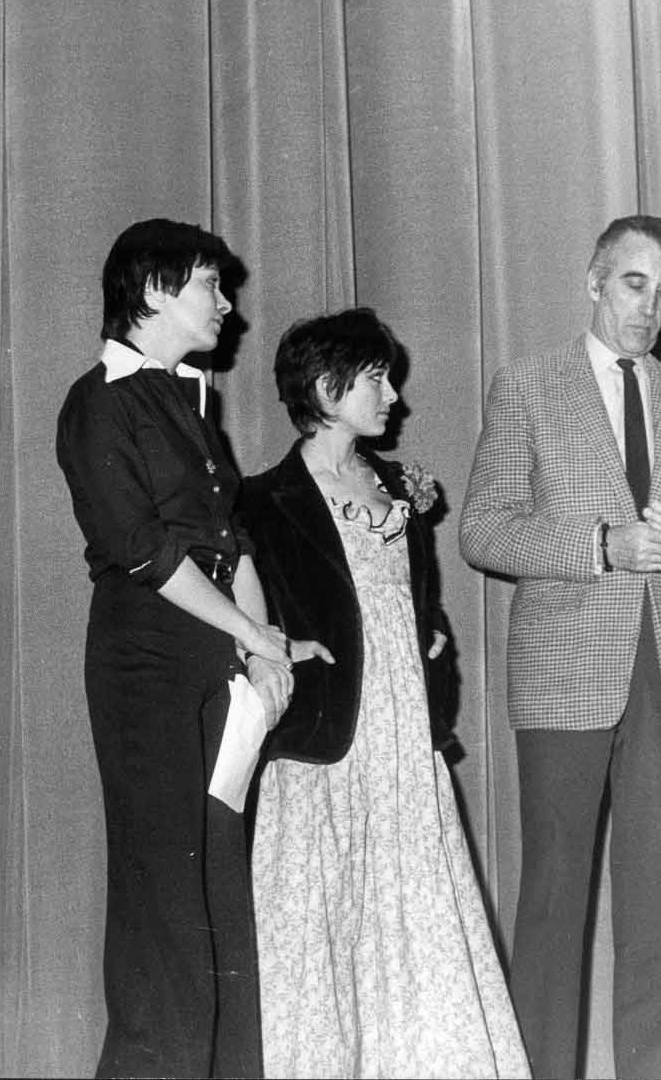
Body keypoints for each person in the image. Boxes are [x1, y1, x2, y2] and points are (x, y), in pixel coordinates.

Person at [459, 215, 661, 1079]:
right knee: (552, 901)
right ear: (593, 280)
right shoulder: (527, 386)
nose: (648, 308)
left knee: (660, 913)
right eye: (633, 284)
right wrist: (603, 545)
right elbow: (482, 530)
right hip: (563, 675)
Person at [56, 218, 319, 1079]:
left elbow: (230, 536)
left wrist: (263, 646)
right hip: (147, 660)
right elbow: (143, 548)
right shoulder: (97, 400)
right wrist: (248, 633)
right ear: (158, 291)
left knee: (218, 894)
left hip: (214, 653)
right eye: (211, 284)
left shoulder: (188, 396)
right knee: (164, 893)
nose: (227, 305)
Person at [238, 307, 530, 1078]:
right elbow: (241, 613)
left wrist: (430, 634)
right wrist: (272, 642)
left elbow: (413, 595)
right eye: (374, 376)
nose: (392, 394)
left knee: (414, 909)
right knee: (323, 923)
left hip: (405, 735)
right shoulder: (263, 501)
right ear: (324, 385)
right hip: (327, 744)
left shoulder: (400, 485)